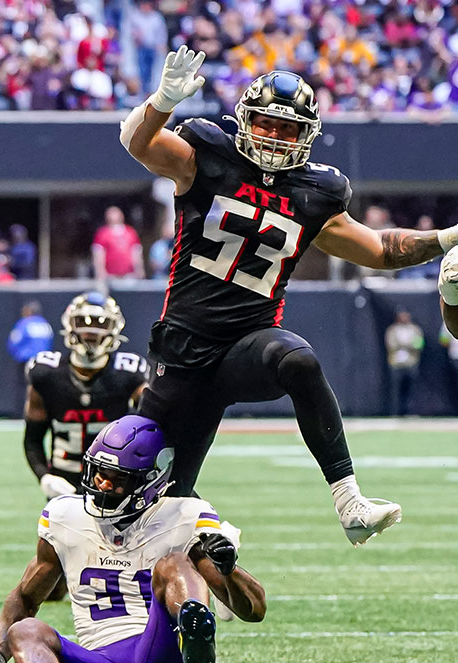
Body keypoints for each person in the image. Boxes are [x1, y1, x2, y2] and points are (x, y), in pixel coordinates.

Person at [119, 47, 453, 545]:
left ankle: (349, 502)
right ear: (245, 120)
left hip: (247, 347)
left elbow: (382, 249)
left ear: (308, 136)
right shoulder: (209, 157)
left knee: (296, 359)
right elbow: (137, 143)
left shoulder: (314, 193)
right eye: (266, 124)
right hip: (183, 350)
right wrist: (163, 99)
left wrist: (449, 236)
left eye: (288, 128)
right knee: (153, 497)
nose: (275, 137)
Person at [0, 415, 266, 663]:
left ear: (151, 481)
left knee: (175, 563)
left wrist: (228, 569)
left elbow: (254, 609)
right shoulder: (65, 515)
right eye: (98, 472)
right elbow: (25, 598)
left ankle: (195, 639)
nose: (102, 483)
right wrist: (0, 652)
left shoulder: (183, 516)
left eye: (117, 477)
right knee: (24, 630)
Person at [25, 293, 148, 501]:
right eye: (83, 322)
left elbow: (153, 430)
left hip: (114, 486)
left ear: (114, 329)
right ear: (70, 325)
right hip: (64, 486)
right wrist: (44, 477)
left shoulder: (128, 374)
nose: (91, 332)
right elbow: (33, 438)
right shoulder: (46, 374)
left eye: (102, 324)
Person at [384, 308, 423, 416]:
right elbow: (391, 344)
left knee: (411, 389)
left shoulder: (415, 330)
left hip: (411, 363)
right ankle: (396, 412)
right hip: (396, 363)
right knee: (396, 389)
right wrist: (405, 344)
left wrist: (406, 345)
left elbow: (419, 344)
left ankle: (409, 412)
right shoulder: (392, 330)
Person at [91, 207, 144, 284]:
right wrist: (100, 272)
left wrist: (139, 270)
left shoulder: (130, 232)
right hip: (110, 276)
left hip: (129, 275)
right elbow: (98, 254)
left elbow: (136, 252)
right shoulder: (102, 234)